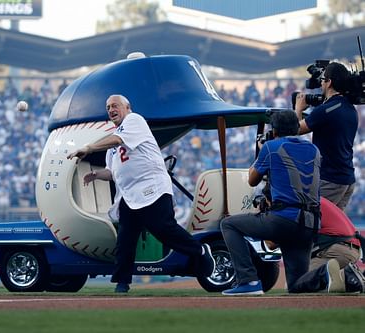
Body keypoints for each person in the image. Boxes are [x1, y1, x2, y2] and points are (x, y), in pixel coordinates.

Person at [67, 94, 215, 293]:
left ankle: (199, 250)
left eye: (115, 105)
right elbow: (113, 172)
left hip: (151, 188)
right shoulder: (112, 146)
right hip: (129, 196)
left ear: (127, 107)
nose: (111, 109)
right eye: (108, 107)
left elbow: (118, 139)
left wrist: (89, 147)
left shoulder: (134, 120)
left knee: (164, 229)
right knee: (125, 239)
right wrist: (95, 175)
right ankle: (122, 282)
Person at [220, 110, 323, 295]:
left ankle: (248, 281)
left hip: (283, 220)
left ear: (274, 131)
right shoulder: (313, 149)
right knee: (297, 286)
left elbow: (252, 180)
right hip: (310, 224)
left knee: (228, 225)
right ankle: (329, 275)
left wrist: (261, 151)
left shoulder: (271, 147)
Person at [295, 62, 359, 210]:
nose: (321, 84)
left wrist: (298, 108)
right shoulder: (350, 108)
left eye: (323, 80)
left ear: (329, 82)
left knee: (311, 219)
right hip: (347, 178)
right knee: (332, 229)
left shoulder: (326, 111)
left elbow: (295, 130)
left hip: (330, 180)